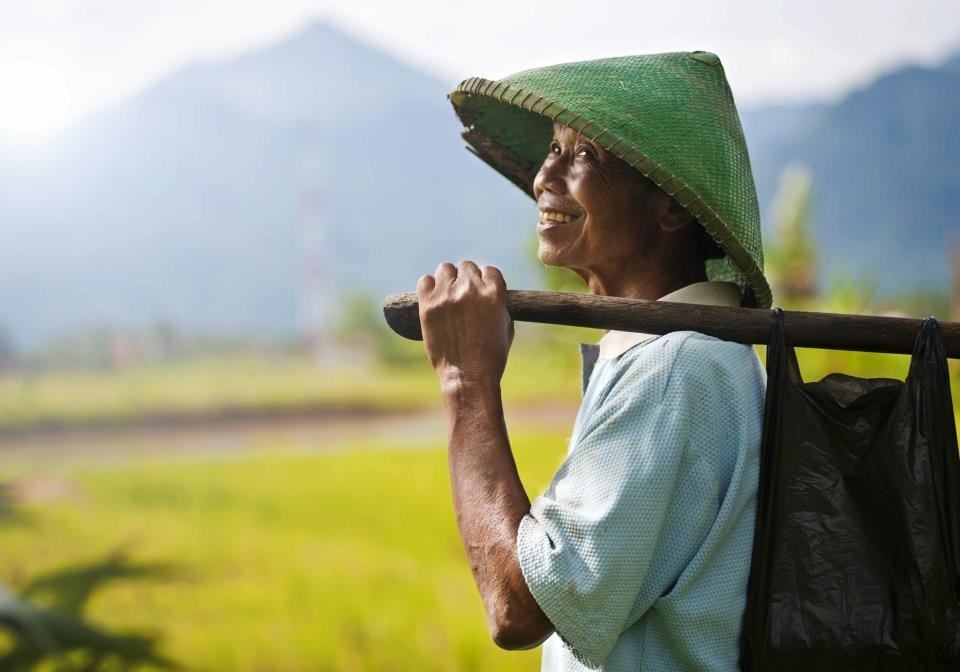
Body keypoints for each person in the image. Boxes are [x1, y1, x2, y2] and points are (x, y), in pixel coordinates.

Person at [416, 52, 770, 671]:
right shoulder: (673, 356)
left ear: (672, 207)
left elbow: (519, 607)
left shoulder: (678, 370)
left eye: (583, 155)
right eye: (551, 150)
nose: (543, 178)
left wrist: (465, 379)